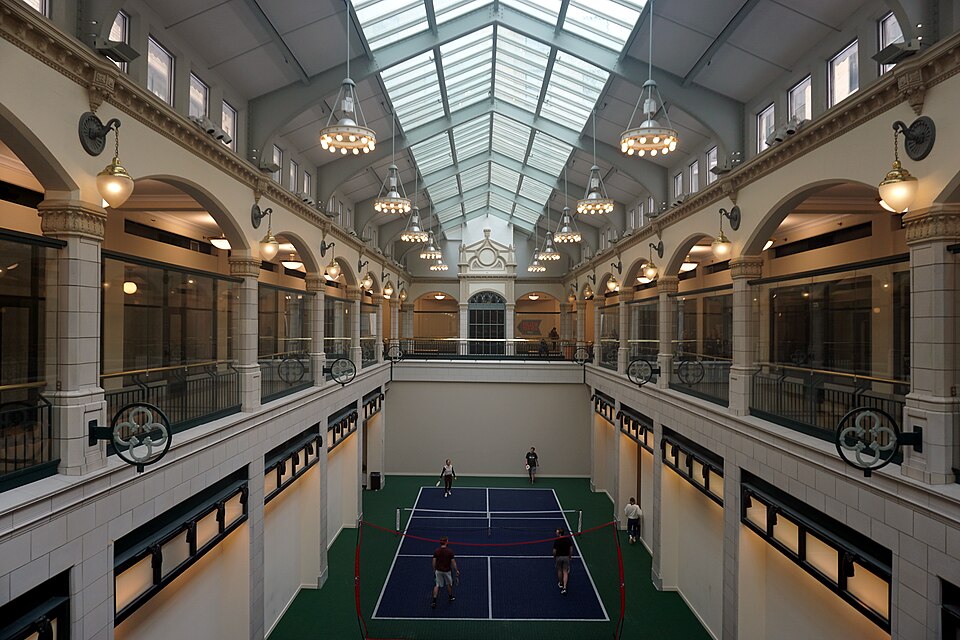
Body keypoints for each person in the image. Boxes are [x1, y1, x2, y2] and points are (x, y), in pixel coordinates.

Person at [431, 536, 459, 608]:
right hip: (447, 571)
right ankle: (450, 597)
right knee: (449, 584)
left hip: (438, 571)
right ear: (446, 542)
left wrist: (434, 570)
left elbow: (433, 562)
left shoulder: (436, 551)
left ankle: (434, 601)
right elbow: (453, 562)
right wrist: (456, 570)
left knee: (437, 585)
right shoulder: (450, 551)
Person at [553, 527, 573, 595]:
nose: (556, 533)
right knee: (565, 571)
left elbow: (554, 551)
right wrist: (570, 556)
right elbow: (570, 549)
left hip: (559, 557)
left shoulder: (557, 541)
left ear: (560, 533)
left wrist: (554, 556)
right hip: (566, 557)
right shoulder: (568, 540)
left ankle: (561, 583)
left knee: (559, 571)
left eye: (557, 532)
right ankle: (564, 587)